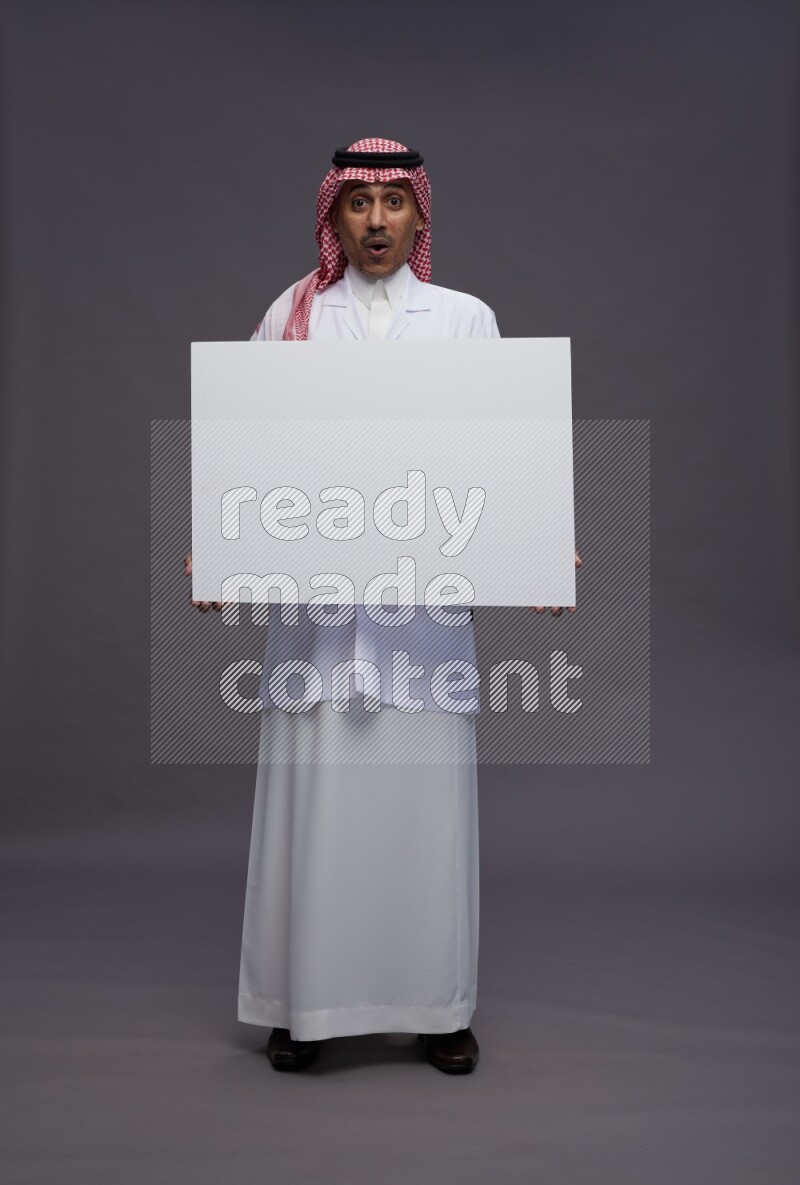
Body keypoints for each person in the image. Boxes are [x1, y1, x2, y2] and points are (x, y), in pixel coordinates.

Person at [185, 137, 578, 1073]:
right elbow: (248, 445)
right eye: (357, 203)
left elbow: (501, 453)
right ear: (333, 214)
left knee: (422, 810)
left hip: (419, 619)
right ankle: (301, 1005)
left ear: (419, 215)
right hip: (319, 617)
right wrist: (220, 544)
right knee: (313, 805)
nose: (374, 222)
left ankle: (438, 1007)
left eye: (393, 203)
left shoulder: (463, 321)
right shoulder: (293, 315)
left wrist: (539, 545)